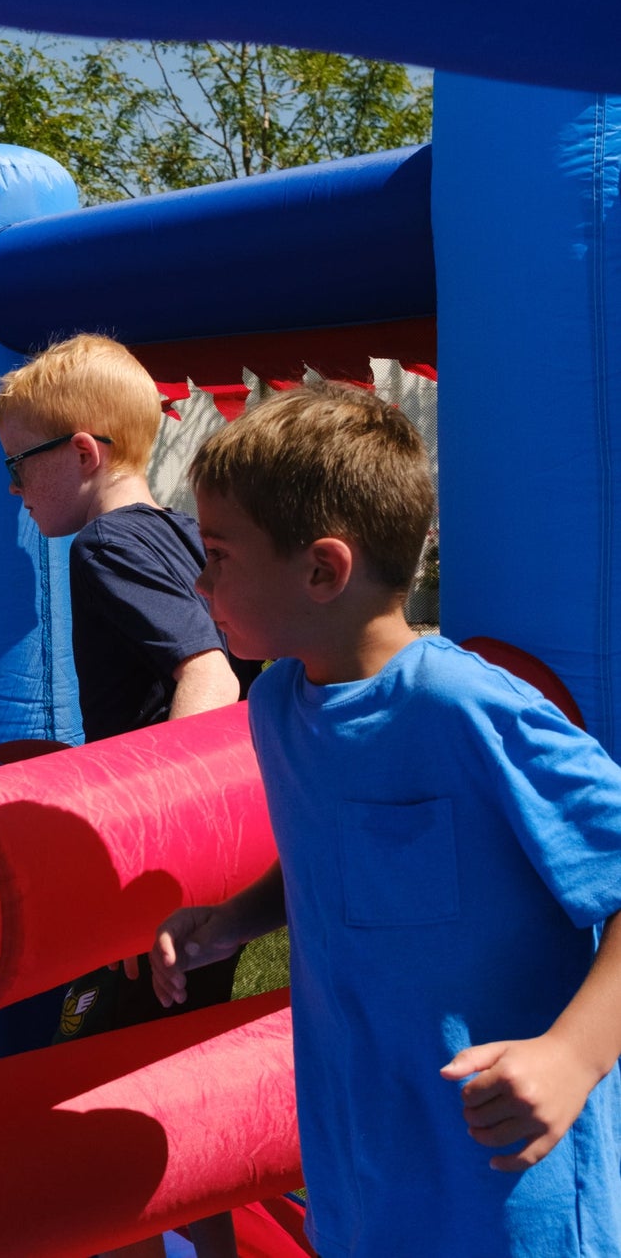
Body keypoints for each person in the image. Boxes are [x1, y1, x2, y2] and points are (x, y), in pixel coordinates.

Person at [152, 382, 621, 1257]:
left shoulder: (462, 708)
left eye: (217, 553)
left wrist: (570, 1057)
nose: (199, 578)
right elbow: (337, 861)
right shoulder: (280, 704)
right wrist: (233, 922)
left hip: (507, 1192)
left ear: (321, 570)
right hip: (360, 1172)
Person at [0, 333, 253, 1258]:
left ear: (83, 452)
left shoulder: (105, 544)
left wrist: (178, 878)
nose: (14, 490)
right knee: (173, 1086)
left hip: (166, 882)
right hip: (209, 878)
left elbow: (211, 679)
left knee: (98, 1104)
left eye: (19, 465)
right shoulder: (183, 532)